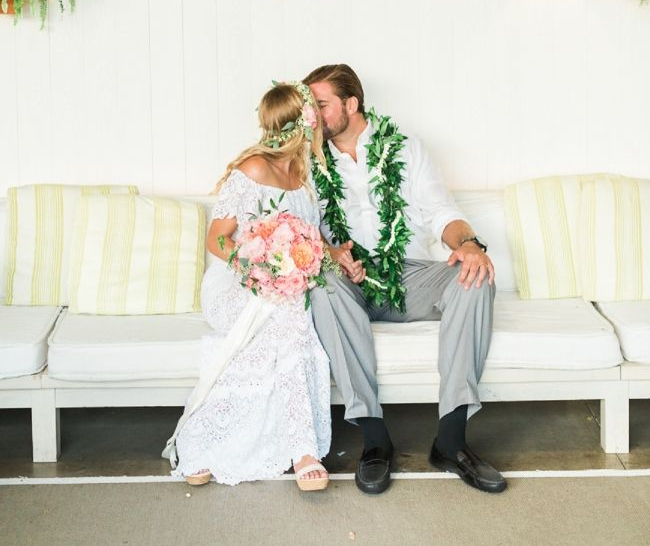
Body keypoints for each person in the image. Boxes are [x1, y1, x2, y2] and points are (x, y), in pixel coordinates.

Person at [303, 63, 506, 496]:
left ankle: (451, 441)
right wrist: (332, 254)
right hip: (349, 281)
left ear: (351, 104)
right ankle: (375, 440)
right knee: (322, 285)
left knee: (476, 275)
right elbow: (302, 227)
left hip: (409, 275)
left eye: (320, 105)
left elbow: (440, 212)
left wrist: (468, 243)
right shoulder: (306, 160)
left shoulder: (406, 148)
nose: (311, 115)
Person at [165, 82, 331, 491]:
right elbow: (217, 240)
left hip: (284, 288)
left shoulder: (305, 175)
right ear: (302, 123)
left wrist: (331, 255)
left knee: (291, 312)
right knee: (289, 314)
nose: (320, 122)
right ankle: (296, 450)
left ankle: (281, 447)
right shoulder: (253, 169)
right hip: (235, 282)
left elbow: (310, 239)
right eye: (314, 114)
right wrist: (261, 269)